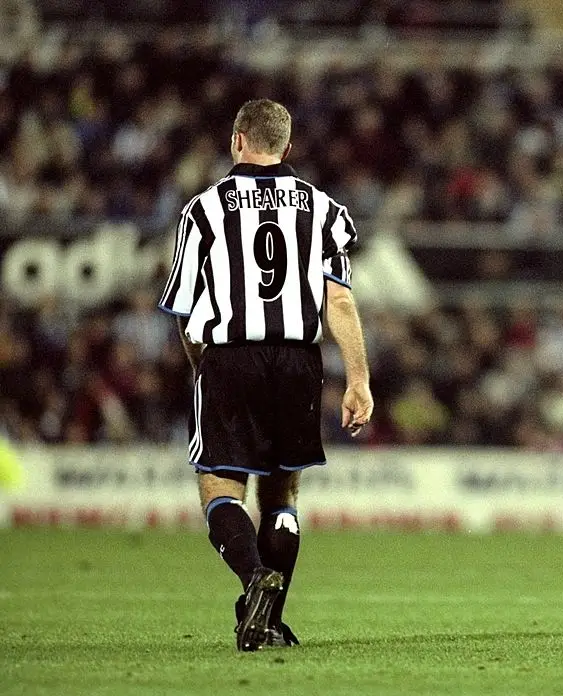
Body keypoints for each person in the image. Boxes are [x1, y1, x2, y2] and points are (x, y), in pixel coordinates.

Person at [158, 99, 374, 651]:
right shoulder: (325, 209)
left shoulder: (202, 210)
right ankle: (270, 620)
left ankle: (255, 580)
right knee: (282, 496)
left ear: (237, 140)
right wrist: (359, 380)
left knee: (219, 488)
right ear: (287, 146)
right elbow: (341, 303)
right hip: (298, 362)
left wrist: (201, 368)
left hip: (230, 357)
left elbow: (186, 311)